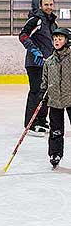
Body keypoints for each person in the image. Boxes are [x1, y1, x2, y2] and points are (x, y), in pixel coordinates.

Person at [19, 0, 57, 136]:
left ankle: (41, 120)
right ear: (41, 6)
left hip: (48, 64)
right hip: (35, 63)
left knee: (45, 93)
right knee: (35, 92)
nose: (48, 7)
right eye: (46, 4)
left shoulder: (53, 23)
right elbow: (23, 35)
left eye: (51, 4)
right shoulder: (37, 19)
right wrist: (34, 50)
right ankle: (31, 124)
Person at [39, 28, 71, 168]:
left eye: (60, 38)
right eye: (55, 39)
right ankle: (55, 153)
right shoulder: (49, 61)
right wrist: (42, 92)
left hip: (70, 98)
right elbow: (44, 81)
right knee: (56, 129)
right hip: (55, 100)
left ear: (67, 41)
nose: (57, 41)